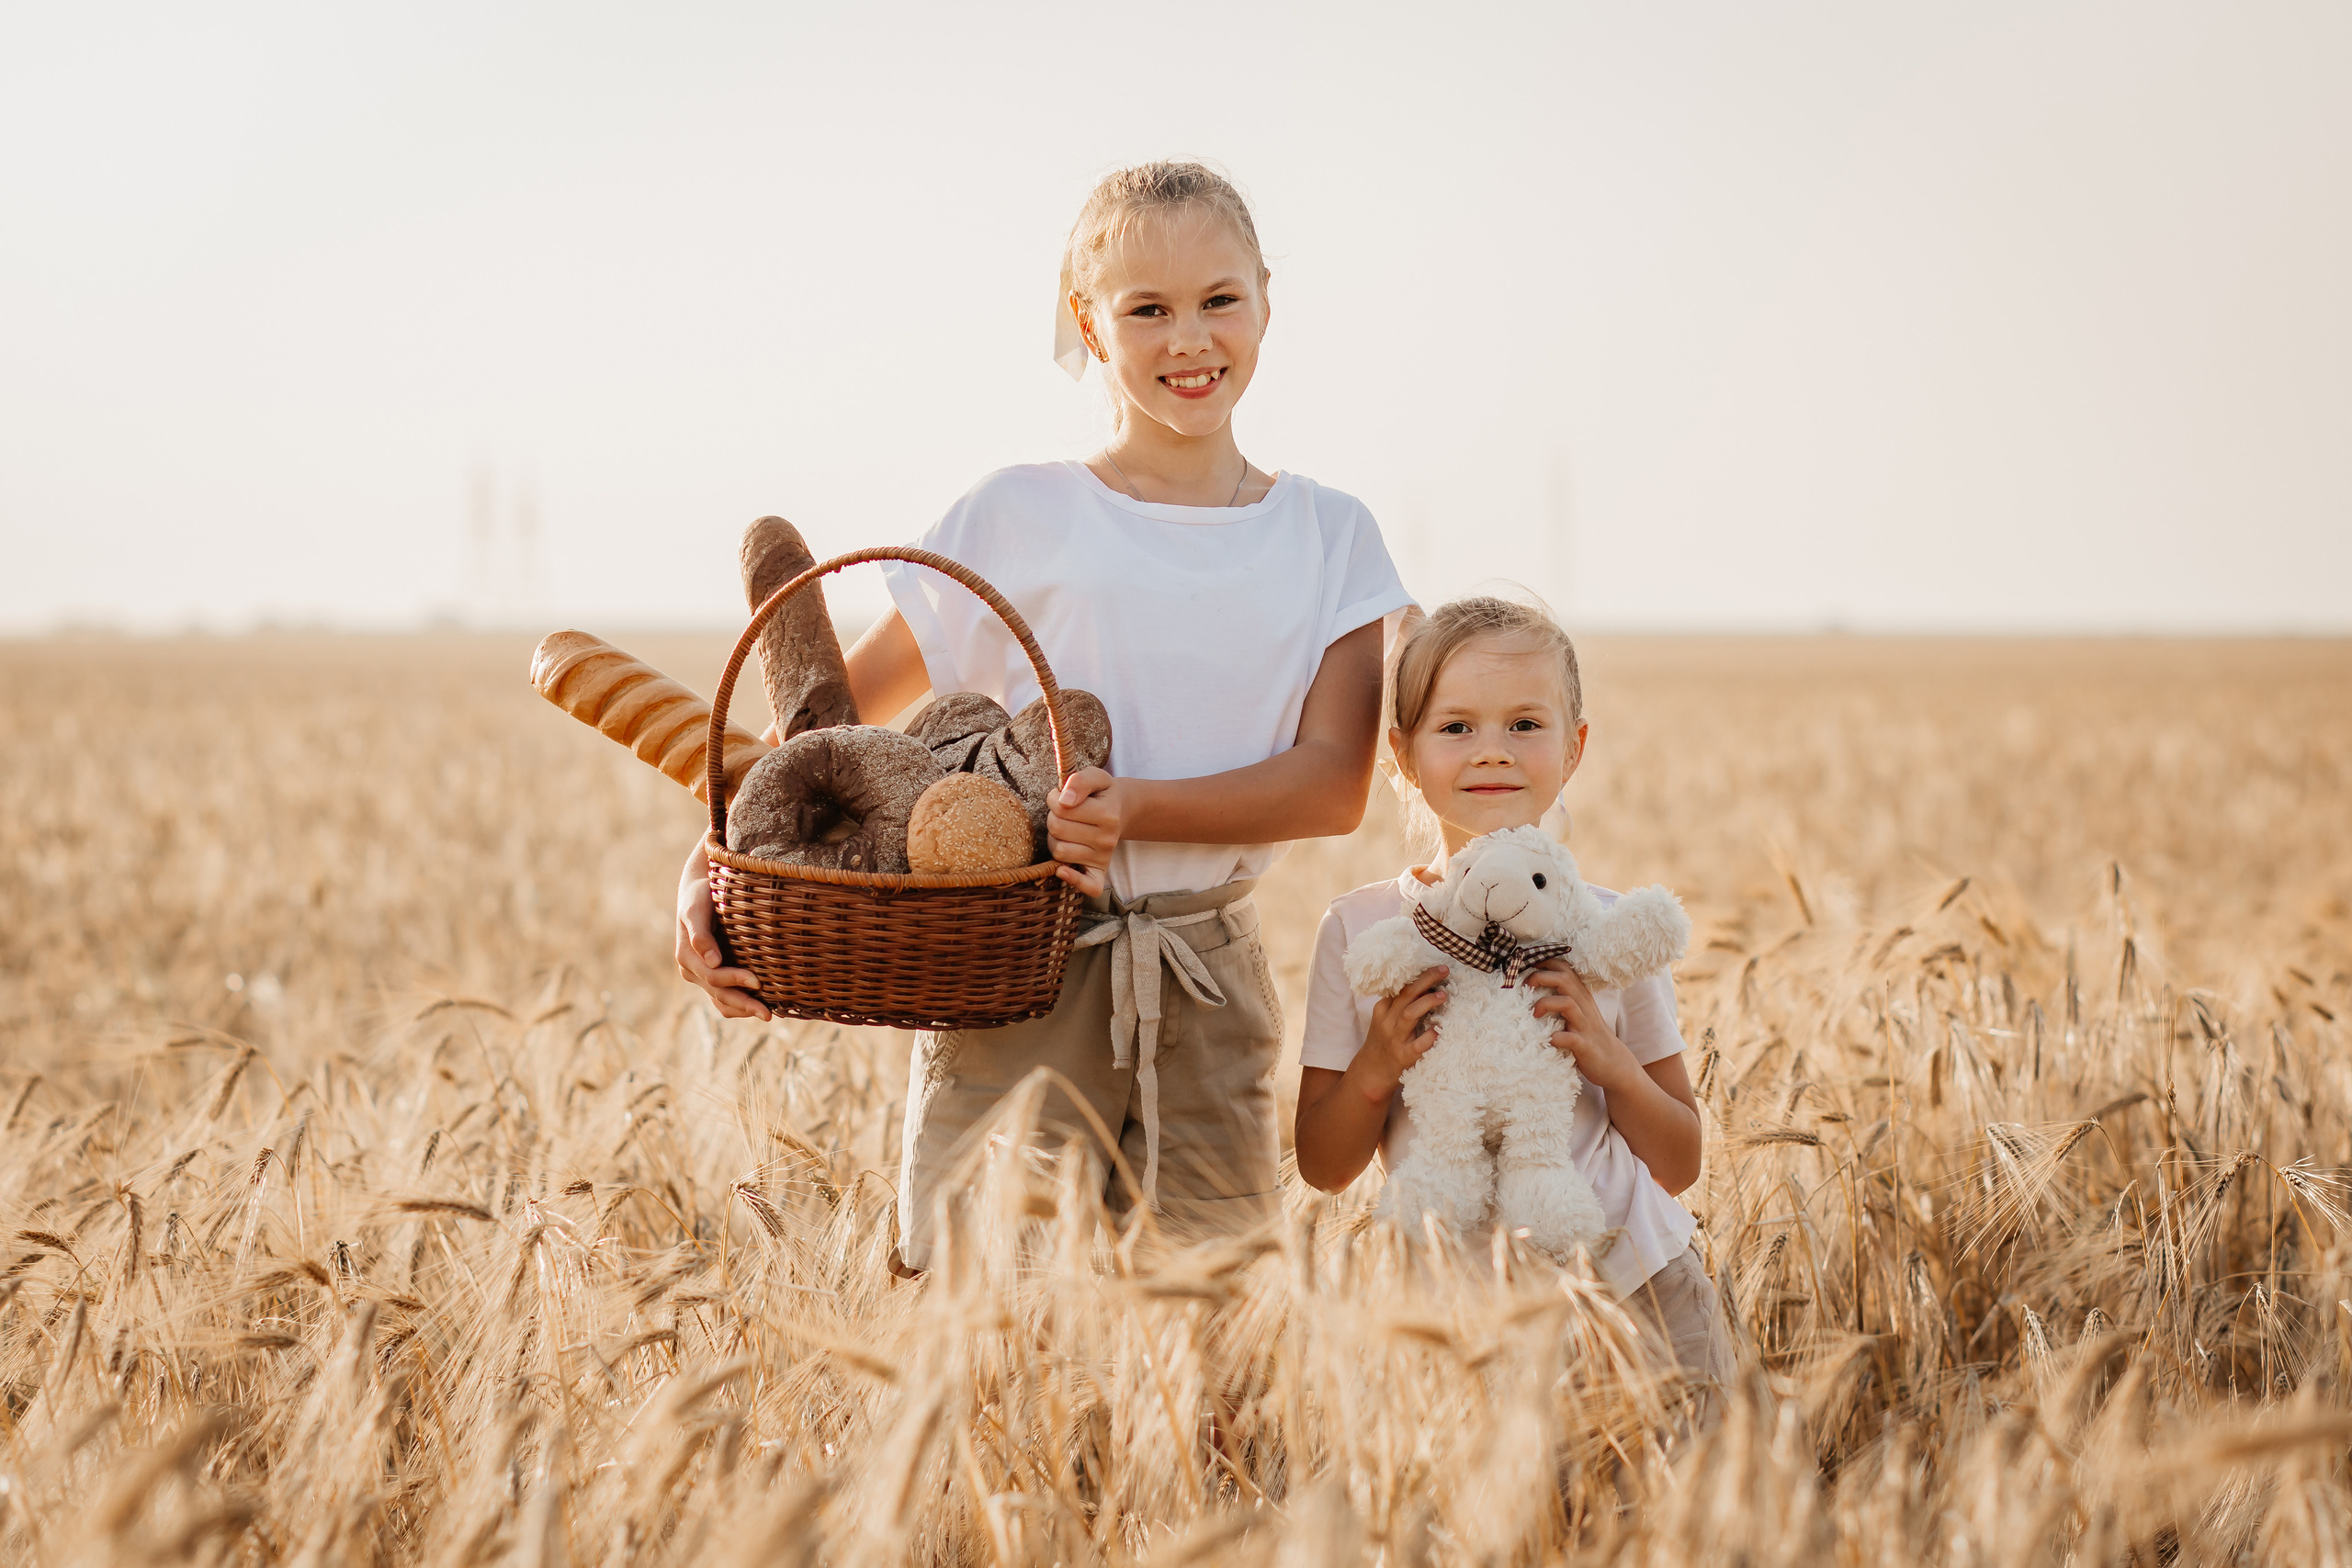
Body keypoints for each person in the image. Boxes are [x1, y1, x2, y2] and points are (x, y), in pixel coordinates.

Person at [674, 161, 1414, 1274]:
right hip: (1010, 966)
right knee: (985, 1319)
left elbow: (1332, 783)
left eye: (1219, 299)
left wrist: (1134, 810)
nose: (1189, 339)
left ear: (1267, 298)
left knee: (1212, 1333)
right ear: (1085, 318)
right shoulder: (1017, 514)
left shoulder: (1329, 534)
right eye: (1146, 309)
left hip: (1203, 983)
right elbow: (823, 740)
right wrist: (707, 872)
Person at [1292, 596, 1733, 1403]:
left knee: (1682, 1481)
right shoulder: (1361, 930)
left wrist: (1611, 1061)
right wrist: (1375, 1067)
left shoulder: (1609, 932)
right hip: (1455, 1319)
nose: (1491, 750)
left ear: (1574, 748)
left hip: (1636, 1285)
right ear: (1402, 753)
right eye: (1456, 726)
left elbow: (1680, 1162)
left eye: (1525, 724)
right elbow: (1323, 1165)